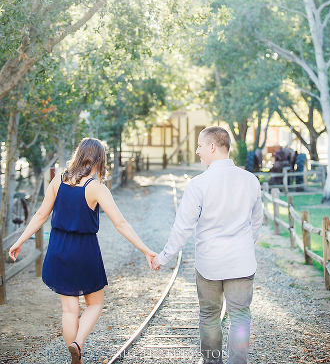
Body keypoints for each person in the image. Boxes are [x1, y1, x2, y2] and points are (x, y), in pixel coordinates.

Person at [8, 138, 157, 364]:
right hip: (84, 252)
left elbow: (40, 215)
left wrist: (19, 241)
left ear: (78, 155)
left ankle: (75, 359)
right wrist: (146, 250)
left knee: (69, 311)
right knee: (95, 303)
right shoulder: (96, 188)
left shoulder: (58, 181)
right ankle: (78, 343)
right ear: (99, 160)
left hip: (58, 249)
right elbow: (121, 224)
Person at [151, 126, 263, 364]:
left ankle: (212, 362)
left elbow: (183, 228)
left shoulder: (198, 185)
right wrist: (244, 245)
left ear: (213, 147)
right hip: (242, 263)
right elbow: (257, 222)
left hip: (210, 264)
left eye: (200, 146)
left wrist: (163, 257)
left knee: (210, 316)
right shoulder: (251, 181)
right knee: (241, 316)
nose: (198, 151)